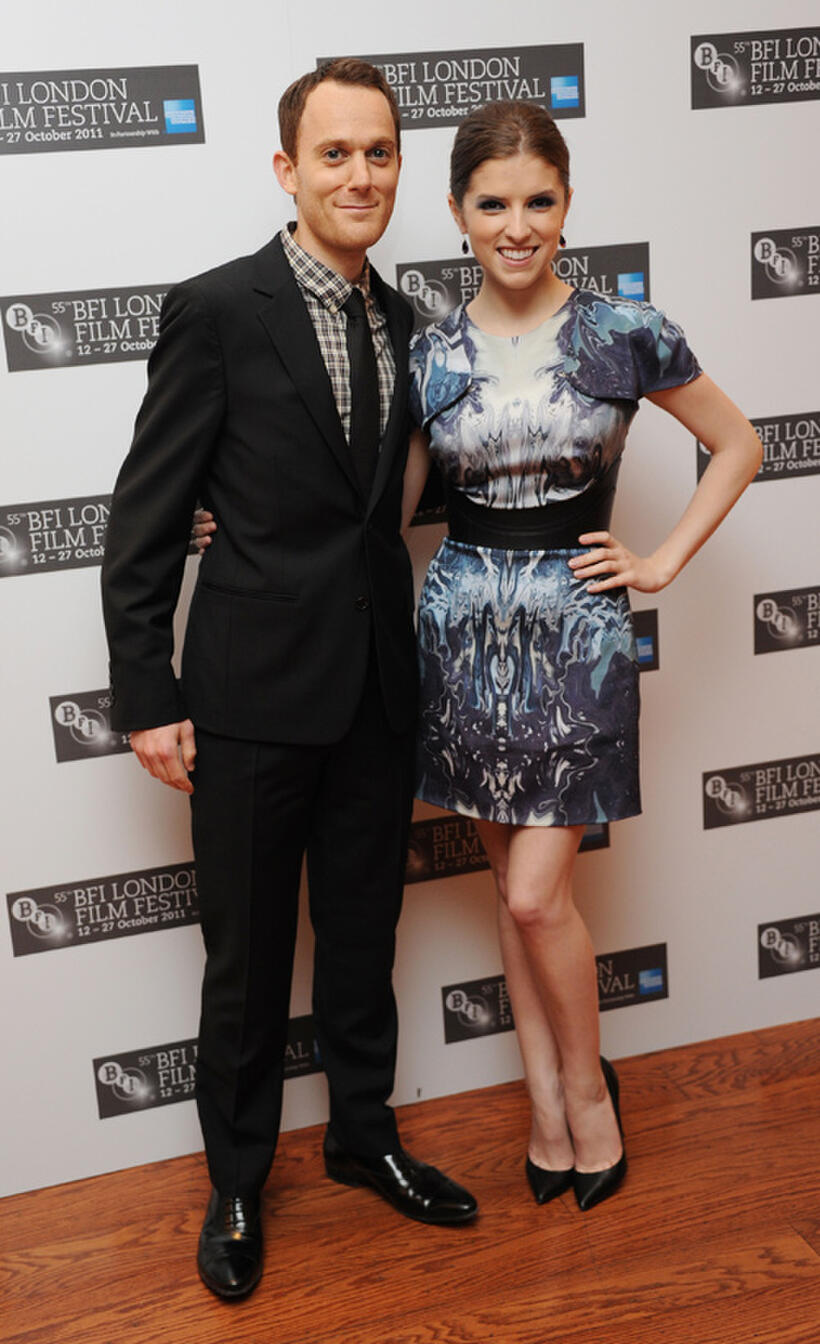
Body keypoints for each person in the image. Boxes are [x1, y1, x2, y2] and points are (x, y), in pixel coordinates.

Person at [101, 59, 477, 1303]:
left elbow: (405, 505)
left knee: (364, 939)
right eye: (334, 154)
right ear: (286, 169)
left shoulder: (413, 323)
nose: (359, 175)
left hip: (376, 688)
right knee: (250, 963)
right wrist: (149, 694)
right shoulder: (215, 310)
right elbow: (145, 521)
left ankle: (365, 1136)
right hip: (250, 697)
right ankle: (239, 1183)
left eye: (379, 153)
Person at [398, 99, 762, 1212]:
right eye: (494, 204)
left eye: (539, 201)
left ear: (566, 205)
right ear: (458, 213)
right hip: (460, 631)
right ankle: (547, 1101)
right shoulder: (428, 351)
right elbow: (392, 509)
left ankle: (592, 1105)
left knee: (530, 898)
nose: (518, 226)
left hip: (576, 636)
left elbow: (738, 443)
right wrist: (240, 526)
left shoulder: (624, 332)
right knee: (512, 887)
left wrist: (657, 563)